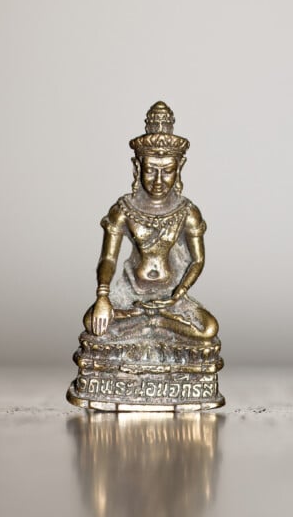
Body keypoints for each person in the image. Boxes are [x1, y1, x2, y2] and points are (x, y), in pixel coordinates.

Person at [83, 101, 219, 343]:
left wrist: (178, 295)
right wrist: (103, 296)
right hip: (130, 294)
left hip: (171, 297)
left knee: (208, 329)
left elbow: (198, 260)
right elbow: (108, 258)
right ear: (137, 167)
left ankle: (154, 322)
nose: (158, 180)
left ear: (180, 168)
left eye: (167, 171)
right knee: (93, 325)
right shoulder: (123, 210)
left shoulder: (187, 212)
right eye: (150, 170)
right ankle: (149, 324)